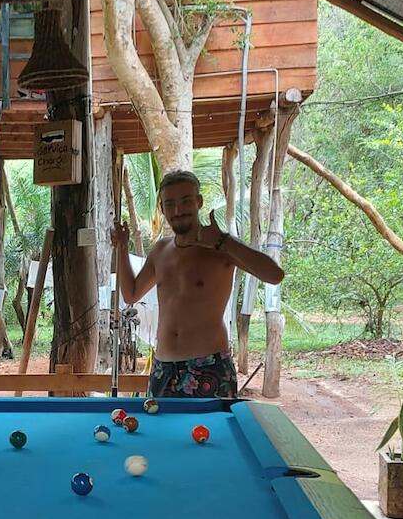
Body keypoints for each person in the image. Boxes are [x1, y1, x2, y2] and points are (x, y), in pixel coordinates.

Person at [111, 169, 284, 399]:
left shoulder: (221, 247)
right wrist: (122, 248)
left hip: (208, 365)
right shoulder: (160, 250)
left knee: (210, 434)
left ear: (198, 202)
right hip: (163, 367)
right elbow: (131, 293)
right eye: (169, 204)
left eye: (185, 201)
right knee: (163, 436)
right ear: (162, 209)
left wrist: (225, 242)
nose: (177, 210)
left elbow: (274, 275)